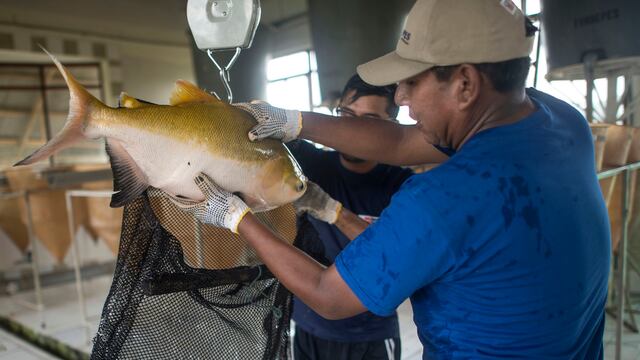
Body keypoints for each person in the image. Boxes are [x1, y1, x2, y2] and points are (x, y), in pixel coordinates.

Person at [173, 0, 610, 358]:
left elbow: (328, 295)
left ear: (465, 84)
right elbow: (402, 142)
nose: (400, 96)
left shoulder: (439, 200)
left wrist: (236, 216)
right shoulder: (560, 121)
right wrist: (290, 121)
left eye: (412, 82)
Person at [286, 74, 413, 360]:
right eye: (346, 115)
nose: (352, 130)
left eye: (368, 120)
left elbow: (393, 255)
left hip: (368, 336)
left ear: (391, 127)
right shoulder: (311, 163)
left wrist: (334, 212)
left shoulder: (402, 186)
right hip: (309, 325)